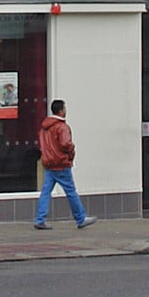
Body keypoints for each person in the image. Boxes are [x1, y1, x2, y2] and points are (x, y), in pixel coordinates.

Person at [34, 98, 96, 230]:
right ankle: (80, 218)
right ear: (61, 110)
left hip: (49, 164)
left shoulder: (44, 128)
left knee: (46, 191)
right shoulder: (62, 127)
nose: (66, 110)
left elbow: (41, 145)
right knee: (71, 191)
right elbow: (65, 144)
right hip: (61, 164)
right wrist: (71, 154)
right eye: (65, 108)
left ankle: (40, 219)